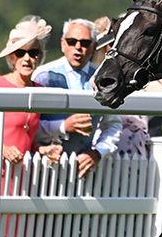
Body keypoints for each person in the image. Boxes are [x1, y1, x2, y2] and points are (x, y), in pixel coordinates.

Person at [34, 18, 121, 177]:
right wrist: (63, 126)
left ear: (94, 47)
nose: (78, 48)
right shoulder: (44, 76)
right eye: (72, 41)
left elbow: (113, 124)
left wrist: (97, 153)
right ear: (62, 44)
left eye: (85, 43)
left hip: (86, 171)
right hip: (44, 168)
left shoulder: (102, 77)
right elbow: (29, 126)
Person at [0, 16, 62, 165]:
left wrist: (41, 150)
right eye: (20, 53)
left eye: (33, 53)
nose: (27, 59)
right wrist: (2, 149)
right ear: (11, 57)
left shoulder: (40, 90)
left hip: (24, 175)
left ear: (40, 57)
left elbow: (26, 138)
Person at [93, 19, 162, 156]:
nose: (121, 49)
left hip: (138, 154)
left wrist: (147, 61)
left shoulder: (135, 79)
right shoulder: (94, 77)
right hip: (106, 150)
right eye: (113, 44)